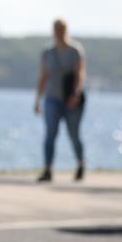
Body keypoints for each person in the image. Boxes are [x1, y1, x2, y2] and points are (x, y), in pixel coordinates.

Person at [34, 18, 86, 182]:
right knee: (50, 134)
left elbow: (80, 74)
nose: (59, 32)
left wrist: (76, 94)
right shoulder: (47, 52)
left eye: (62, 29)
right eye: (56, 29)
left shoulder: (75, 50)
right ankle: (48, 168)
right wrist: (37, 100)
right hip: (52, 98)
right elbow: (43, 76)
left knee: (73, 134)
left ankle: (80, 163)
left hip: (71, 100)